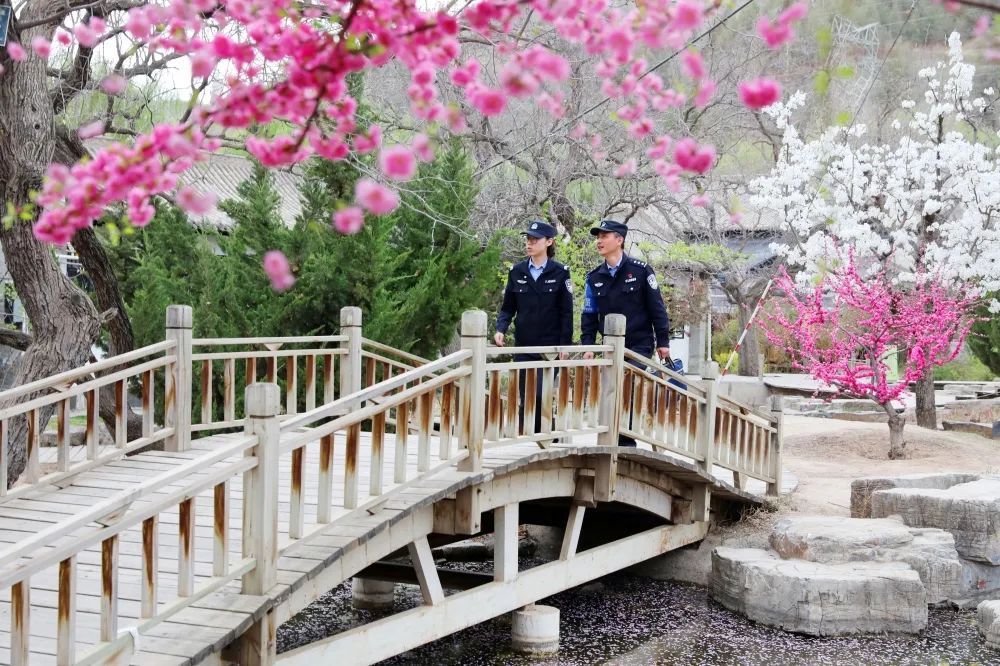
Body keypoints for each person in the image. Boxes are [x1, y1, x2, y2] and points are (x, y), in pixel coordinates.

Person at [580, 219, 672, 446]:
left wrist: (663, 341)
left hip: (639, 342)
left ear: (619, 240)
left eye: (604, 236)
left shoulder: (640, 271)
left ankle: (626, 441)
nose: (599, 241)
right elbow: (589, 314)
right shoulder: (594, 277)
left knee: (627, 384)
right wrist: (588, 345)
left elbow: (657, 308)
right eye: (598, 237)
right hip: (610, 346)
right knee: (611, 389)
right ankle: (613, 437)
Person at [495, 220, 573, 435]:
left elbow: (566, 312)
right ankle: (531, 437)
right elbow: (508, 307)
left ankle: (544, 434)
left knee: (541, 393)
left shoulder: (560, 272)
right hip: (524, 345)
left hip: (550, 347)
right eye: (528, 239)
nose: (529, 244)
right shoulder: (517, 271)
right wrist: (501, 328)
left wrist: (565, 345)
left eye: (535, 240)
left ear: (549, 242)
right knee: (526, 394)